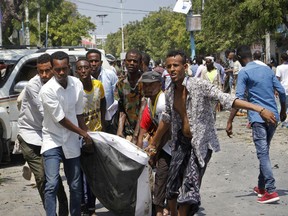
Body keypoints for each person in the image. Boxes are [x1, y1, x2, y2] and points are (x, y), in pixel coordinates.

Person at [147, 50, 277, 215]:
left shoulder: (198, 85)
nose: (172, 69)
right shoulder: (170, 90)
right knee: (172, 185)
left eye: (176, 65)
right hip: (180, 142)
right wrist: (153, 143)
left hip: (200, 143)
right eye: (169, 66)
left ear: (185, 67)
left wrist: (259, 109)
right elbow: (167, 119)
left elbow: (226, 99)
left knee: (189, 188)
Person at [226, 45, 286, 204]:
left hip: (258, 117)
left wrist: (230, 121)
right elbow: (281, 91)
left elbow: (238, 100)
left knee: (263, 153)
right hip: (273, 116)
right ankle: (261, 187)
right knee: (264, 150)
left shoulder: (244, 72)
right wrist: (283, 111)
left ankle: (271, 190)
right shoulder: (267, 70)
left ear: (239, 59)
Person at [39, 51, 93, 216]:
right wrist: (83, 133)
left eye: (64, 68)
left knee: (76, 185)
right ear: (52, 69)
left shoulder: (76, 84)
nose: (61, 72)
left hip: (71, 140)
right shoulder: (47, 90)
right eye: (57, 69)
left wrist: (86, 134)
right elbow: (61, 120)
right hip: (52, 139)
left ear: (70, 67)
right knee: (52, 184)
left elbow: (79, 113)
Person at [17, 53, 68, 216]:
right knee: (42, 178)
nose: (44, 75)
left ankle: (64, 208)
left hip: (49, 135)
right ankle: (50, 212)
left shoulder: (62, 81)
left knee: (53, 178)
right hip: (30, 136)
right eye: (41, 72)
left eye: (47, 71)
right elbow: (49, 114)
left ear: (53, 69)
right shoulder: (33, 86)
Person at [137, 71, 175, 216]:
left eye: (150, 85)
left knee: (166, 176)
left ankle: (166, 209)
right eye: (144, 85)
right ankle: (160, 210)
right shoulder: (150, 100)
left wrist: (154, 149)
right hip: (166, 144)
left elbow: (166, 128)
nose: (146, 88)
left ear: (160, 85)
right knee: (161, 176)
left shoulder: (162, 102)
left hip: (173, 144)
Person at [76, 57, 106, 215]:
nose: (83, 71)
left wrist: (103, 129)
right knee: (79, 174)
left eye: (86, 68)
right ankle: (81, 205)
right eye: (80, 68)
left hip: (96, 135)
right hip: (78, 136)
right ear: (76, 71)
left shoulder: (98, 86)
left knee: (92, 175)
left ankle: (91, 207)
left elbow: (103, 104)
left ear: (91, 69)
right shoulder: (74, 89)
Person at [115, 49, 144, 143]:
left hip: (144, 131)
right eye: (129, 60)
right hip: (129, 130)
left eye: (135, 61)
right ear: (124, 62)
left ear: (140, 64)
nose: (131, 63)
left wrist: (136, 136)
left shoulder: (146, 83)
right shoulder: (121, 83)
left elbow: (143, 109)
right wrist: (120, 130)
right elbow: (121, 107)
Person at [86, 49, 118, 134]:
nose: (93, 64)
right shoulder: (83, 79)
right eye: (91, 61)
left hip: (110, 120)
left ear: (101, 62)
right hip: (90, 123)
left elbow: (117, 96)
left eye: (96, 61)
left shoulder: (110, 75)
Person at [276, 52, 288, 120]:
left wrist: (276, 90)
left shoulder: (279, 67)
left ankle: (282, 120)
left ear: (281, 59)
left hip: (282, 88)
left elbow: (277, 79)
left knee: (282, 106)